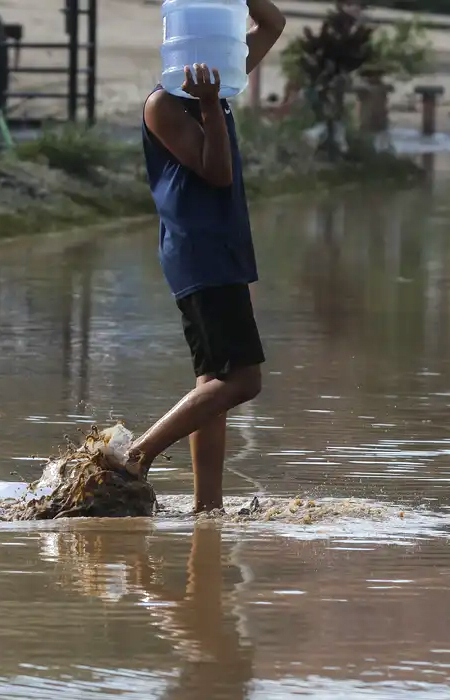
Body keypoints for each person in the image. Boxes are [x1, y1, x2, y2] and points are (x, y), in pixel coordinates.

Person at [117, 0, 286, 513]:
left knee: (214, 384)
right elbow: (218, 172)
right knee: (243, 380)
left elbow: (273, 24)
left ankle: (207, 509)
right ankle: (136, 456)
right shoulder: (164, 104)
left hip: (221, 248)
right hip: (200, 252)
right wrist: (210, 103)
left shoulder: (224, 79)